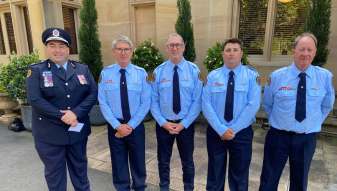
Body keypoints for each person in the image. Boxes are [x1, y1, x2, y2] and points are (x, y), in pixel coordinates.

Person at [259, 32, 335, 191]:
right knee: (268, 179)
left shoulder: (324, 77)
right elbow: (268, 104)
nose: (305, 54)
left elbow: (326, 105)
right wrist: (281, 121)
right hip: (278, 136)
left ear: (315, 52)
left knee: (300, 182)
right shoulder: (277, 76)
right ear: (294, 50)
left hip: (306, 139)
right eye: (302, 49)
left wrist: (313, 122)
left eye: (310, 50)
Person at [26, 27, 98, 191]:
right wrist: (61, 115)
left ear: (68, 49)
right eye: (52, 45)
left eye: (61, 46)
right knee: (55, 177)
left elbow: (93, 93)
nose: (57, 50)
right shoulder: (37, 70)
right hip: (49, 134)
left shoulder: (81, 69)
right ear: (46, 47)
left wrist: (76, 113)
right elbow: (35, 99)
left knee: (80, 172)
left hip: (77, 132)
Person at [202, 38, 261, 191]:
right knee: (215, 174)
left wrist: (232, 129)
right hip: (216, 132)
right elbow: (206, 104)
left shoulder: (251, 77)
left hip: (241, 133)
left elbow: (253, 105)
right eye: (228, 50)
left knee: (239, 176)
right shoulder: (212, 76)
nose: (231, 53)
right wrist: (221, 129)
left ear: (241, 53)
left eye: (235, 50)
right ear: (223, 54)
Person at [98, 35, 151, 191]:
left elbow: (145, 102)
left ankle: (140, 187)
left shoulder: (141, 74)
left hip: (135, 126)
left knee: (138, 161)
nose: (123, 52)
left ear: (131, 52)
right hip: (115, 125)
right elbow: (103, 102)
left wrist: (131, 125)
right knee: (118, 162)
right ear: (114, 52)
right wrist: (116, 125)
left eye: (126, 49)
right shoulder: (105, 74)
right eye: (119, 49)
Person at [151, 33, 203, 191]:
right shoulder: (158, 72)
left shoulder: (194, 71)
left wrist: (184, 124)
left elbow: (197, 101)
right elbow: (153, 101)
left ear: (184, 47)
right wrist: (163, 122)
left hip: (185, 125)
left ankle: (189, 188)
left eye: (178, 45)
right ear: (167, 48)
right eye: (171, 45)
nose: (174, 48)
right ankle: (164, 187)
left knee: (187, 161)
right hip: (164, 125)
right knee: (163, 161)